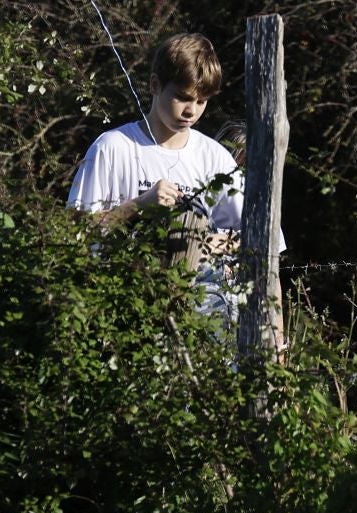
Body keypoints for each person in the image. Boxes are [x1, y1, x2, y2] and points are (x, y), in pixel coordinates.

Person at [67, 33, 276, 320]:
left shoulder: (214, 158)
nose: (191, 111)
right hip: (122, 314)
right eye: (182, 97)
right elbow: (73, 233)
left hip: (202, 322)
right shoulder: (113, 148)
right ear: (155, 85)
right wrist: (138, 206)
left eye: (202, 101)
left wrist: (214, 242)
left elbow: (265, 238)